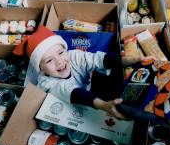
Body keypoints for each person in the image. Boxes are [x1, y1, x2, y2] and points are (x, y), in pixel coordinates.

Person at [13, 26, 151, 120]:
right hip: (71, 106)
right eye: (49, 61)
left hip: (88, 92)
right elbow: (72, 92)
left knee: (107, 70)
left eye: (61, 53)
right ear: (41, 69)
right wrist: (104, 106)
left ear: (66, 50)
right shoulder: (46, 83)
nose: (59, 62)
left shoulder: (72, 56)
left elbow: (97, 59)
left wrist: (128, 60)